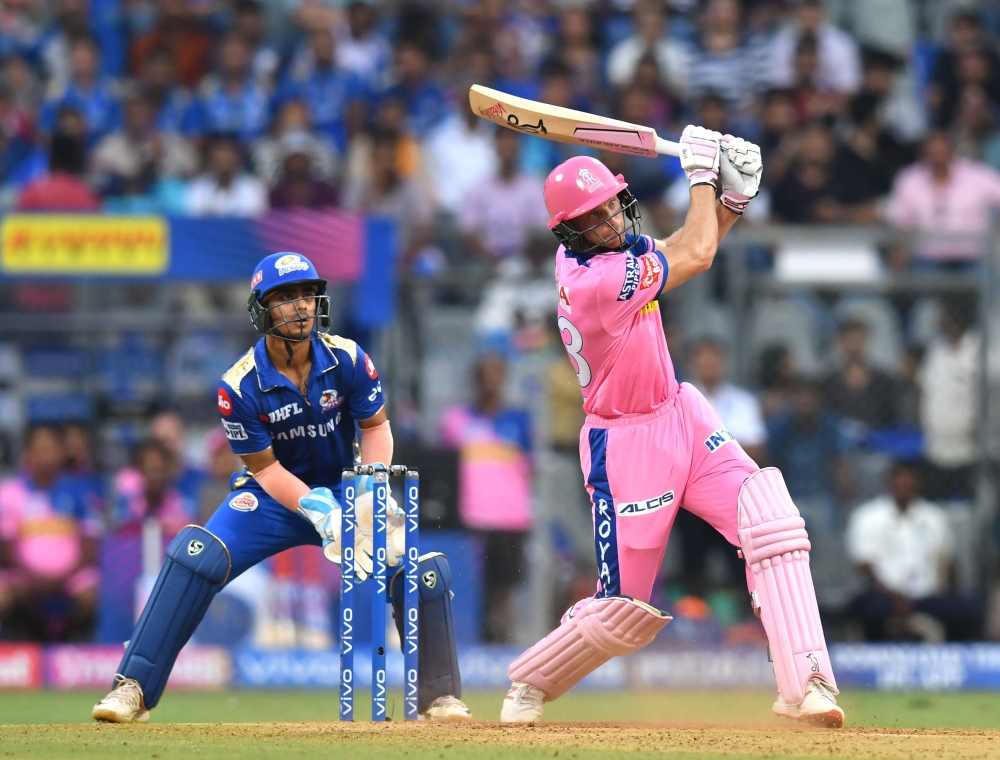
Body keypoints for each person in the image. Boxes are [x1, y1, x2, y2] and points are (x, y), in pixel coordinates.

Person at [500, 127, 844, 727]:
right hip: (626, 445)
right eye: (595, 215)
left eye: (612, 203)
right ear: (568, 233)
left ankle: (808, 685)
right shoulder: (597, 283)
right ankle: (530, 684)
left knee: (772, 518)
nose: (611, 217)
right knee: (624, 612)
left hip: (680, 413)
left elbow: (689, 247)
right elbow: (697, 253)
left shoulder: (600, 255)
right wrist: (703, 177)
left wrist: (730, 201)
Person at [92, 252, 471, 724]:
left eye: (307, 295)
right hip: (269, 498)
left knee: (417, 568)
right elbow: (266, 469)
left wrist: (371, 491)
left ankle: (440, 698)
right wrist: (320, 511)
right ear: (261, 311)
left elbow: (375, 428)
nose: (301, 306)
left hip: (344, 487)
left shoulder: (349, 357)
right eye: (285, 298)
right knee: (196, 555)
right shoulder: (238, 386)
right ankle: (133, 687)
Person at [440, 354, 533, 643]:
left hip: (511, 517)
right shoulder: (456, 422)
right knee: (473, 586)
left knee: (504, 587)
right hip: (473, 516)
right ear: (476, 380)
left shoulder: (519, 422)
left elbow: (530, 469)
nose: (491, 382)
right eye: (485, 375)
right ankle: (473, 643)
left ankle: (503, 645)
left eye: (496, 375)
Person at [847, 460, 979, 641]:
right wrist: (894, 597)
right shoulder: (867, 516)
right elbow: (865, 565)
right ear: (889, 482)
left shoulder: (934, 517)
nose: (905, 485)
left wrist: (951, 592)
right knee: (869, 608)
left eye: (910, 481)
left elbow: (946, 559)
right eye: (900, 480)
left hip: (926, 595)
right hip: (885, 596)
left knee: (966, 607)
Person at [0, 425, 101, 641]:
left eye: (50, 449)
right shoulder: (10, 492)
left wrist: (63, 576)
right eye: (39, 449)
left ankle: (70, 647)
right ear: (28, 454)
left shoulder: (81, 490)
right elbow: (6, 548)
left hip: (72, 576)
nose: (44, 455)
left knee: (92, 594)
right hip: (23, 576)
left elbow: (90, 544)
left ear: (61, 453)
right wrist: (33, 576)